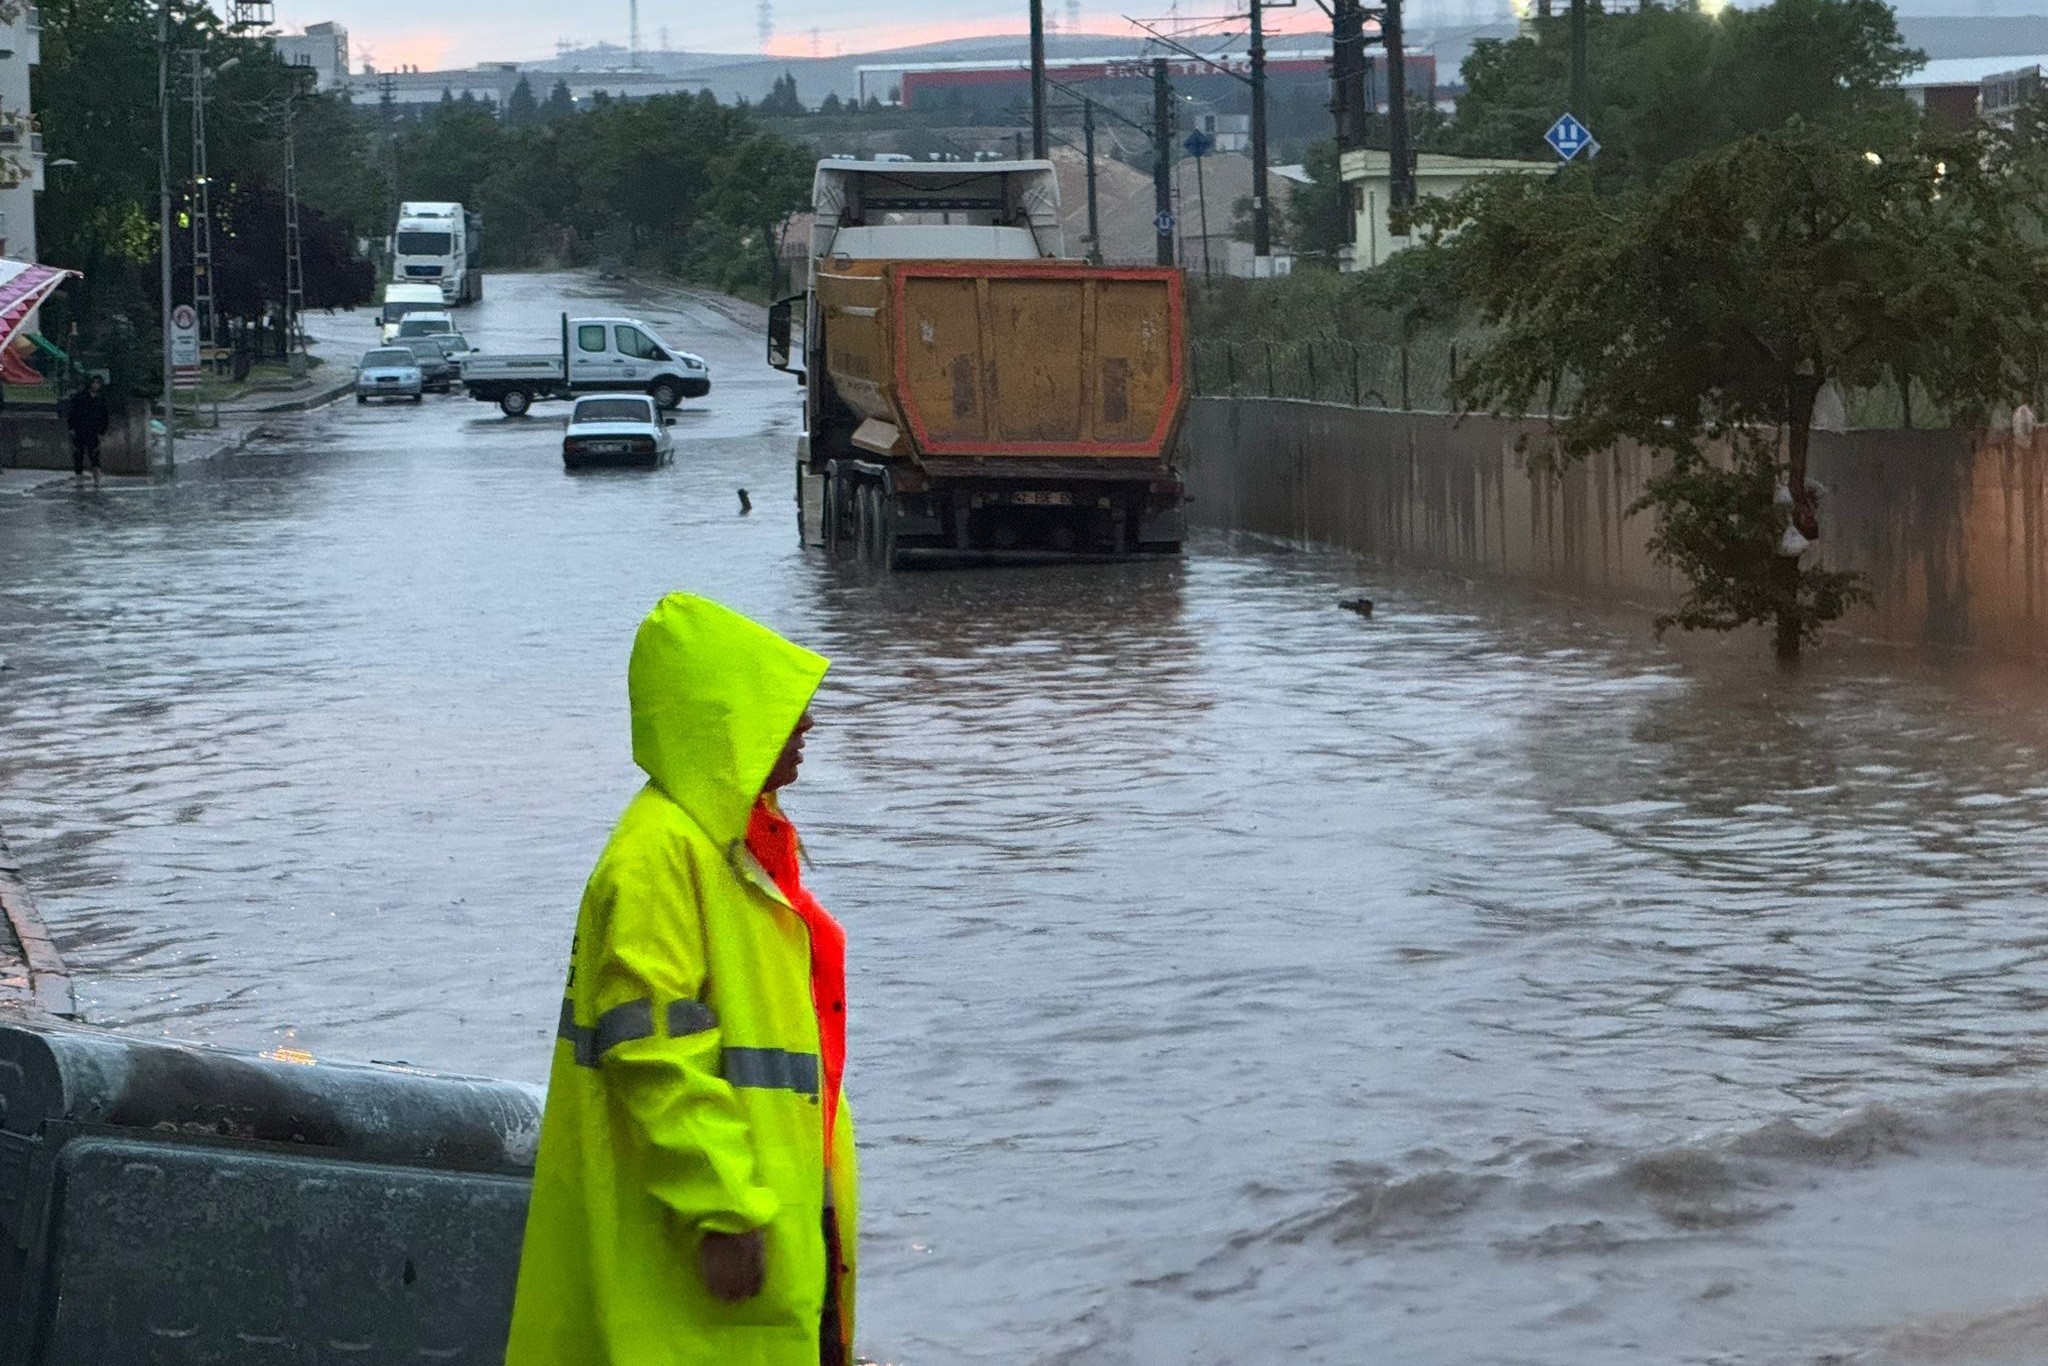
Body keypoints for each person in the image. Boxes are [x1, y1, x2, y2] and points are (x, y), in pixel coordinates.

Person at [507, 593, 858, 1366]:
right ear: (723, 719)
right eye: (785, 710)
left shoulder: (728, 845)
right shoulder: (661, 858)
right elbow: (653, 1050)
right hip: (713, 1234)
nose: (807, 728)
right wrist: (724, 1210)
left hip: (765, 1216)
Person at [65, 376, 109, 486]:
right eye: (93, 383)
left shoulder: (101, 399)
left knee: (94, 455)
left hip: (94, 431)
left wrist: (102, 431)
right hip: (80, 430)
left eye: (97, 383)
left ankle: (97, 479)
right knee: (78, 455)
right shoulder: (80, 398)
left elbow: (105, 416)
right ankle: (79, 479)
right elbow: (72, 413)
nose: (95, 385)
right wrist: (71, 428)